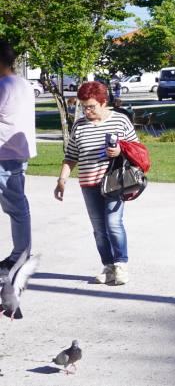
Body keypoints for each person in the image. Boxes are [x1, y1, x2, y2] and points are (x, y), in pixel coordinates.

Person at [54, 81, 138, 286]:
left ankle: (121, 265)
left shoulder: (120, 120)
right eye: (83, 107)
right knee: (99, 229)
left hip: (114, 183)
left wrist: (119, 151)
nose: (87, 111)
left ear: (103, 102)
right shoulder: (79, 125)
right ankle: (108, 267)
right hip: (88, 184)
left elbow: (136, 148)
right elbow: (71, 156)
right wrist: (62, 180)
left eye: (91, 106)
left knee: (113, 223)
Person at [0, 39, 35, 274]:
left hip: (4, 154)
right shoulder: (23, 84)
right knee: (18, 206)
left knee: (16, 207)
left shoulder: (3, 86)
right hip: (17, 152)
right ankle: (20, 254)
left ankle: (20, 256)